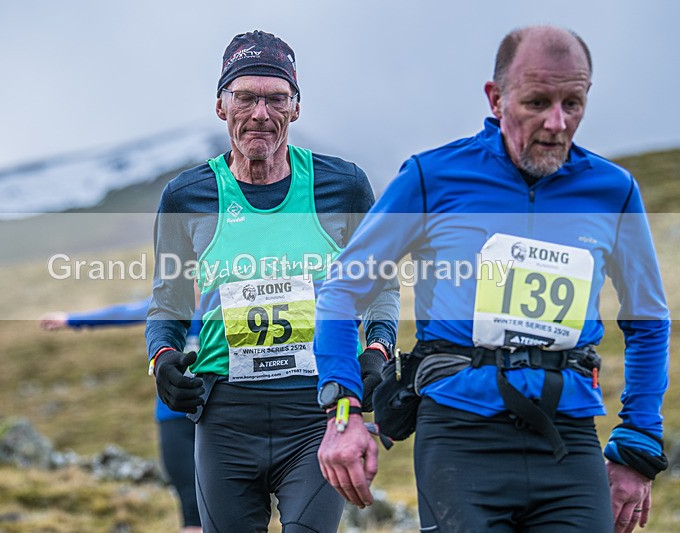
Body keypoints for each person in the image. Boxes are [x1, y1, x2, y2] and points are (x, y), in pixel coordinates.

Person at [313, 25, 670, 533]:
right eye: (537, 102)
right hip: (459, 435)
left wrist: (638, 443)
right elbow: (342, 292)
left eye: (574, 102)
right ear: (496, 97)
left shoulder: (613, 192)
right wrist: (343, 409)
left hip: (567, 438)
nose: (557, 122)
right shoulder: (431, 177)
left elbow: (650, 321)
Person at [145, 30, 399, 532]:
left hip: (319, 408)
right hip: (224, 416)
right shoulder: (187, 195)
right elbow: (167, 304)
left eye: (276, 98)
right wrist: (163, 361)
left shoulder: (342, 184)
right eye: (245, 97)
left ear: (296, 108)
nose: (260, 113)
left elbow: (381, 288)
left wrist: (378, 350)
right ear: (221, 106)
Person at [40, 299, 203, 533]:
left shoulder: (223, 301)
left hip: (217, 413)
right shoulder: (166, 303)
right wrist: (71, 319)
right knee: (191, 505)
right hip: (173, 418)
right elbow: (121, 313)